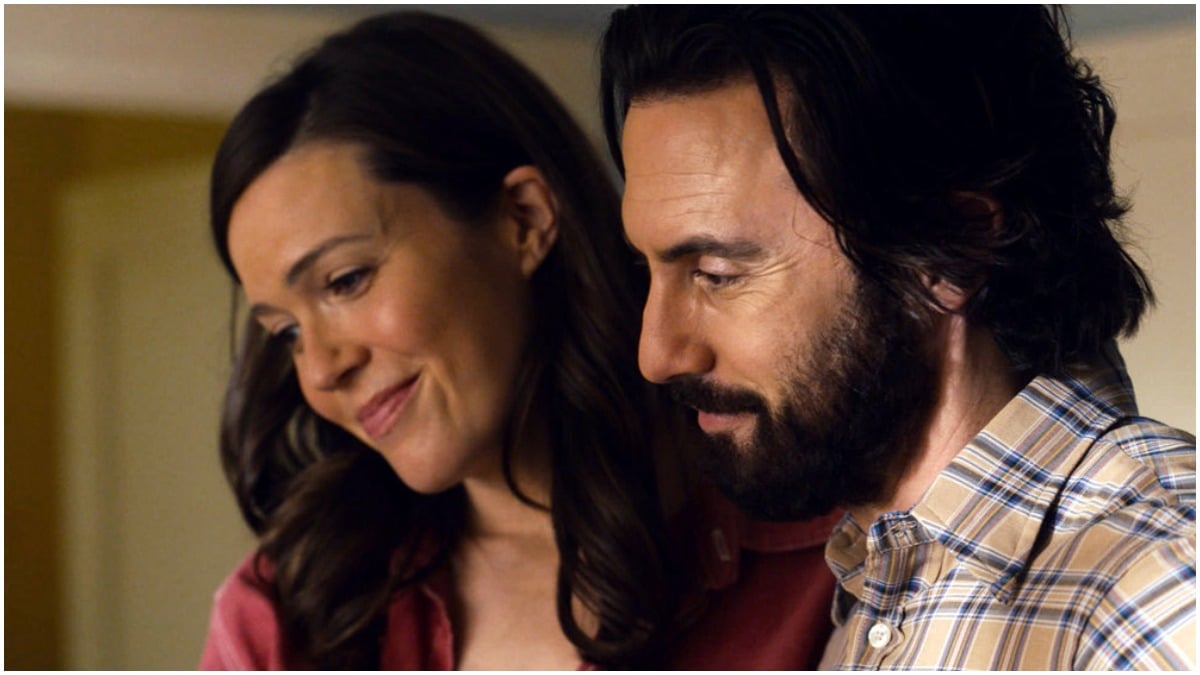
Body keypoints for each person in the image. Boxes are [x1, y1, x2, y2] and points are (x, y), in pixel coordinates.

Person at [201, 10, 837, 670]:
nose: (320, 371)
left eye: (347, 280)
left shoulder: (824, 551)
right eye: (287, 332)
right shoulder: (280, 620)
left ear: (524, 219)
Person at [600, 5, 1196, 670]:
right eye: (647, 270)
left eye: (716, 274)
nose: (657, 355)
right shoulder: (874, 580)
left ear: (949, 254)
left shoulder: (1166, 593)